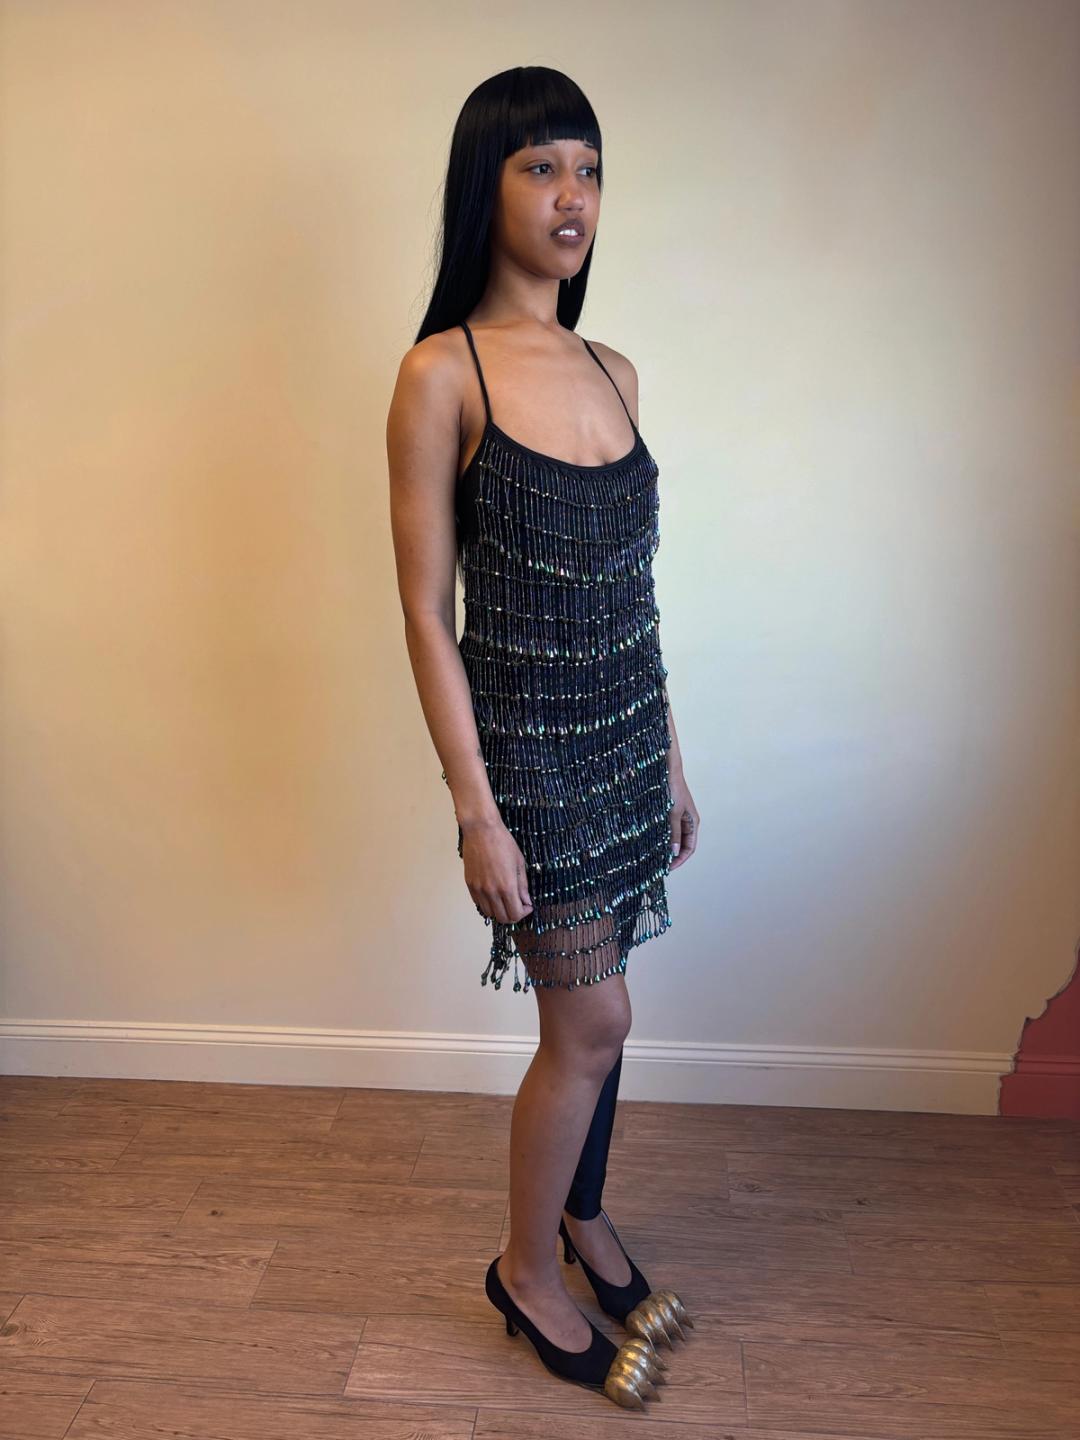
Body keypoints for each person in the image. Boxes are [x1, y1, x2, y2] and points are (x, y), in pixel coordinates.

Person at [386, 65, 699, 1410]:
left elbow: (633, 593)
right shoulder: (438, 375)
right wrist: (475, 809)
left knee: (606, 1014)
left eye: (590, 170)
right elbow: (425, 609)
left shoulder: (614, 370)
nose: (573, 196)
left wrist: (671, 758)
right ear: (487, 185)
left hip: (626, 741)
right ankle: (525, 1269)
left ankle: (582, 1214)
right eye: (540, 168)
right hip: (529, 764)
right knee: (594, 1017)